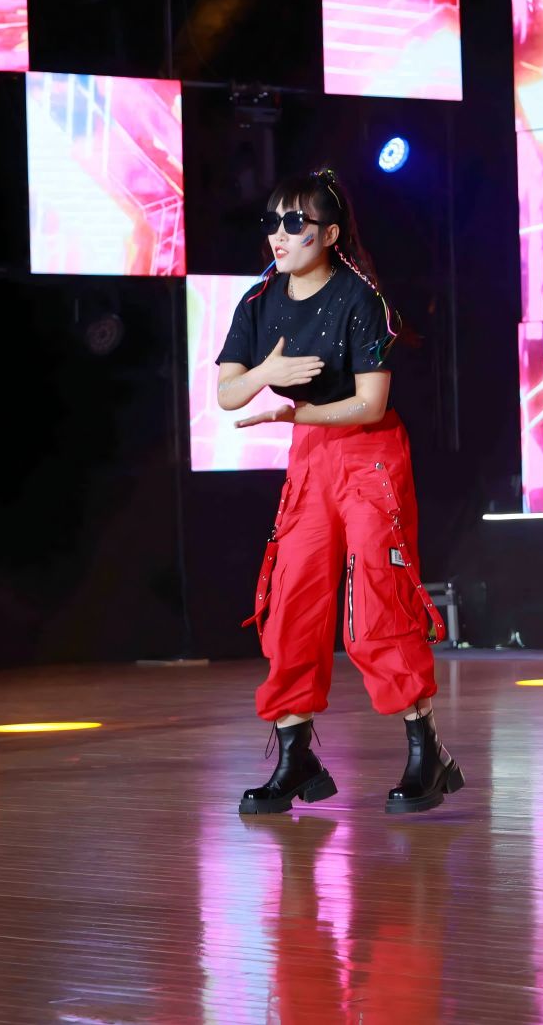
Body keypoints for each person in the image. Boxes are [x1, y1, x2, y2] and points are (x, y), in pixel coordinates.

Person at [216, 170, 461, 814]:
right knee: (292, 599)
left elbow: (370, 403)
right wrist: (268, 372)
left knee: (379, 597)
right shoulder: (258, 300)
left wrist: (295, 411)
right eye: (273, 221)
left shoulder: (358, 297)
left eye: (295, 223)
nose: (279, 234)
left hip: (369, 453)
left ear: (328, 234)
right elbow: (227, 392)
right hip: (311, 457)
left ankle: (426, 752)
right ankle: (295, 757)